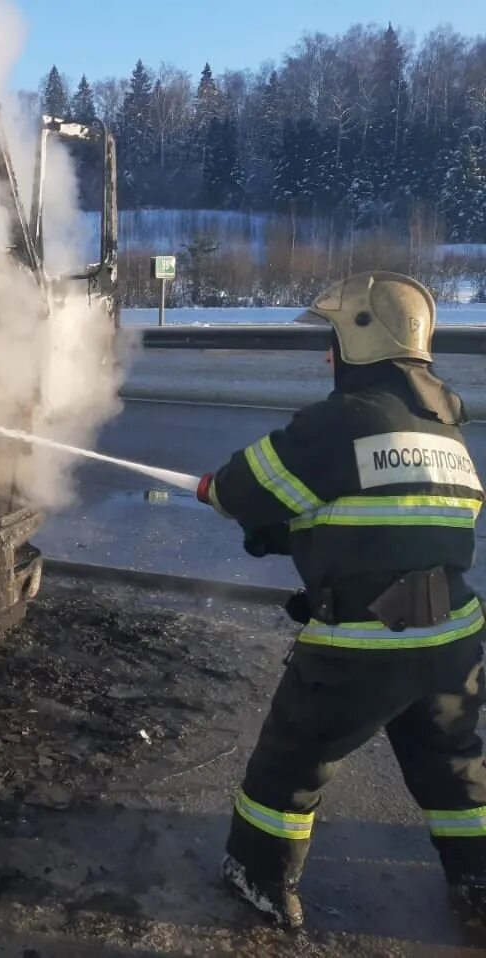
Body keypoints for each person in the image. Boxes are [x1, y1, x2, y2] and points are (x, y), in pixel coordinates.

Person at [196, 271, 486, 930]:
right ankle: (478, 883)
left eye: (332, 338)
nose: (327, 356)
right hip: (451, 638)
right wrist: (298, 528)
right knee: (454, 766)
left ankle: (261, 879)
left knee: (292, 762)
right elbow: (393, 519)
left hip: (366, 641)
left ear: (361, 337)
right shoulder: (443, 427)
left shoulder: (337, 423)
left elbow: (241, 491)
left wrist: (217, 493)